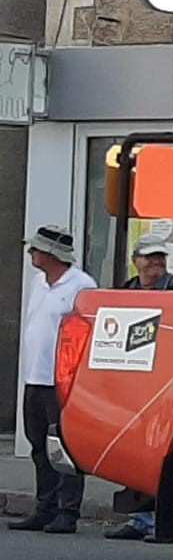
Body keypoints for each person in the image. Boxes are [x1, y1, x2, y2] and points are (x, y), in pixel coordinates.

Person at [9, 226, 95, 535]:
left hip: (62, 382)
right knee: (39, 447)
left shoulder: (81, 286)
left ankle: (67, 510)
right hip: (34, 376)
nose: (31, 253)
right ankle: (44, 507)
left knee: (65, 448)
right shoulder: (38, 283)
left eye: (36, 249)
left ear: (51, 254)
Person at [104, 233, 173, 541]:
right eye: (149, 256)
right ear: (136, 261)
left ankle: (161, 519)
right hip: (133, 382)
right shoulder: (126, 291)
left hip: (167, 380)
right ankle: (139, 518)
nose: (156, 261)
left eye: (160, 256)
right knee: (132, 449)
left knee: (160, 451)